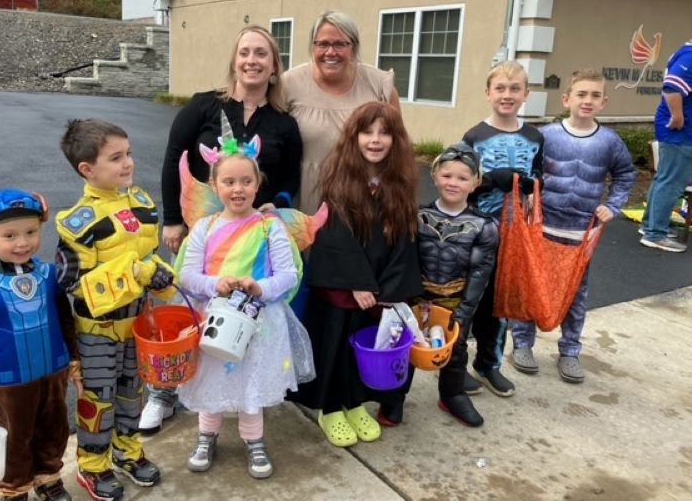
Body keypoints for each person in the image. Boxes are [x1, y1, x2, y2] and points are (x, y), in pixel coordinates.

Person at [154, 25, 302, 432]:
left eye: (261, 54)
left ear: (274, 67)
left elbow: (290, 179)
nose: (251, 61)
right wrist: (171, 219)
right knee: (185, 307)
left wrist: (279, 204)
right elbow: (173, 159)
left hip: (252, 232)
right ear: (234, 60)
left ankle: (242, 400)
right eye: (245, 53)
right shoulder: (204, 105)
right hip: (199, 226)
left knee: (240, 324)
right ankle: (164, 395)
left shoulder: (283, 123)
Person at [174, 125, 316, 479]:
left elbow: (288, 274)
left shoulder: (270, 227)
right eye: (229, 182)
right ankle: (207, 435)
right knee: (211, 379)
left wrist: (260, 286)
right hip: (215, 318)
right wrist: (214, 283)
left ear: (258, 183)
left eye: (246, 182)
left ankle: (254, 440)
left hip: (259, 320)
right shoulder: (203, 228)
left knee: (251, 380)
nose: (238, 189)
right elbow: (187, 274)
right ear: (215, 185)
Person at [55, 119, 176, 501]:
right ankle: (93, 465)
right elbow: (77, 285)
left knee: (131, 392)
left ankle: (127, 449)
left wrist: (162, 275)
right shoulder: (77, 223)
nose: (128, 163)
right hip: (98, 330)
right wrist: (137, 272)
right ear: (87, 169)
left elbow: (151, 256)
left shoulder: (142, 204)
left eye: (129, 154)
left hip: (138, 322)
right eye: (116, 158)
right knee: (98, 398)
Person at [292, 101, 422, 446]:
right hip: (345, 287)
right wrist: (357, 283)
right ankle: (331, 407)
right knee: (336, 344)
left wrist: (389, 288)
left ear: (396, 140)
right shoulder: (338, 177)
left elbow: (407, 239)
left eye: (384, 133)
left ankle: (354, 403)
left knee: (366, 346)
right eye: (368, 132)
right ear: (355, 136)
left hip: (380, 286)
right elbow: (334, 235)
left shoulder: (400, 183)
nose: (375, 140)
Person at [0, 189, 81, 501]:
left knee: (54, 430)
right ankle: (14, 489)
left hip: (54, 373)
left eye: (31, 232)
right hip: (8, 383)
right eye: (9, 235)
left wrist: (74, 360)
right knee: (14, 439)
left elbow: (66, 321)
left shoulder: (51, 276)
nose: (22, 243)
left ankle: (48, 479)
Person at [511, 69, 635, 383]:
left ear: (604, 102)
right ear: (567, 99)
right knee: (532, 286)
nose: (588, 100)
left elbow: (626, 175)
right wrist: (526, 198)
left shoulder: (610, 141)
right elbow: (527, 171)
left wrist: (614, 205)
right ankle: (522, 344)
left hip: (581, 233)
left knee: (575, 294)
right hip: (544, 226)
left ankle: (569, 351)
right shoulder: (547, 135)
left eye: (595, 95)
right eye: (581, 94)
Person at [462, 60, 543, 398]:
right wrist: (485, 182)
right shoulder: (475, 136)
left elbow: (540, 178)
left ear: (526, 94)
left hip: (515, 234)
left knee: (500, 304)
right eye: (500, 88)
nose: (507, 95)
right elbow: (457, 180)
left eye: (514, 89)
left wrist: (530, 184)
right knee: (467, 300)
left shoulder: (534, 136)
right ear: (488, 93)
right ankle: (454, 365)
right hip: (478, 231)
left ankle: (488, 364)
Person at [285, 10, 401, 214]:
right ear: (313, 47)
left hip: (362, 202)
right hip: (306, 200)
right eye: (322, 44)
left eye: (340, 44)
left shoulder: (379, 85)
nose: (331, 52)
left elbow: (398, 147)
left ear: (353, 47)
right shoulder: (289, 84)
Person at [417, 144, 499, 427]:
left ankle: (451, 395)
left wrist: (464, 314)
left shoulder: (483, 226)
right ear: (435, 175)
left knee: (456, 350)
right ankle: (393, 399)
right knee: (404, 346)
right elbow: (405, 260)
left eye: (463, 178)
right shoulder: (417, 217)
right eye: (447, 175)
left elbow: (480, 273)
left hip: (455, 299)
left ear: (476, 182)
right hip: (417, 297)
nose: (453, 183)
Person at [640, 41, 692, 252]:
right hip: (680, 133)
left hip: (677, 132)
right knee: (671, 182)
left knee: (664, 178)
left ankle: (650, 225)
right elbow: (673, 85)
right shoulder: (690, 55)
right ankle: (656, 234)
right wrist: (677, 116)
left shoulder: (686, 51)